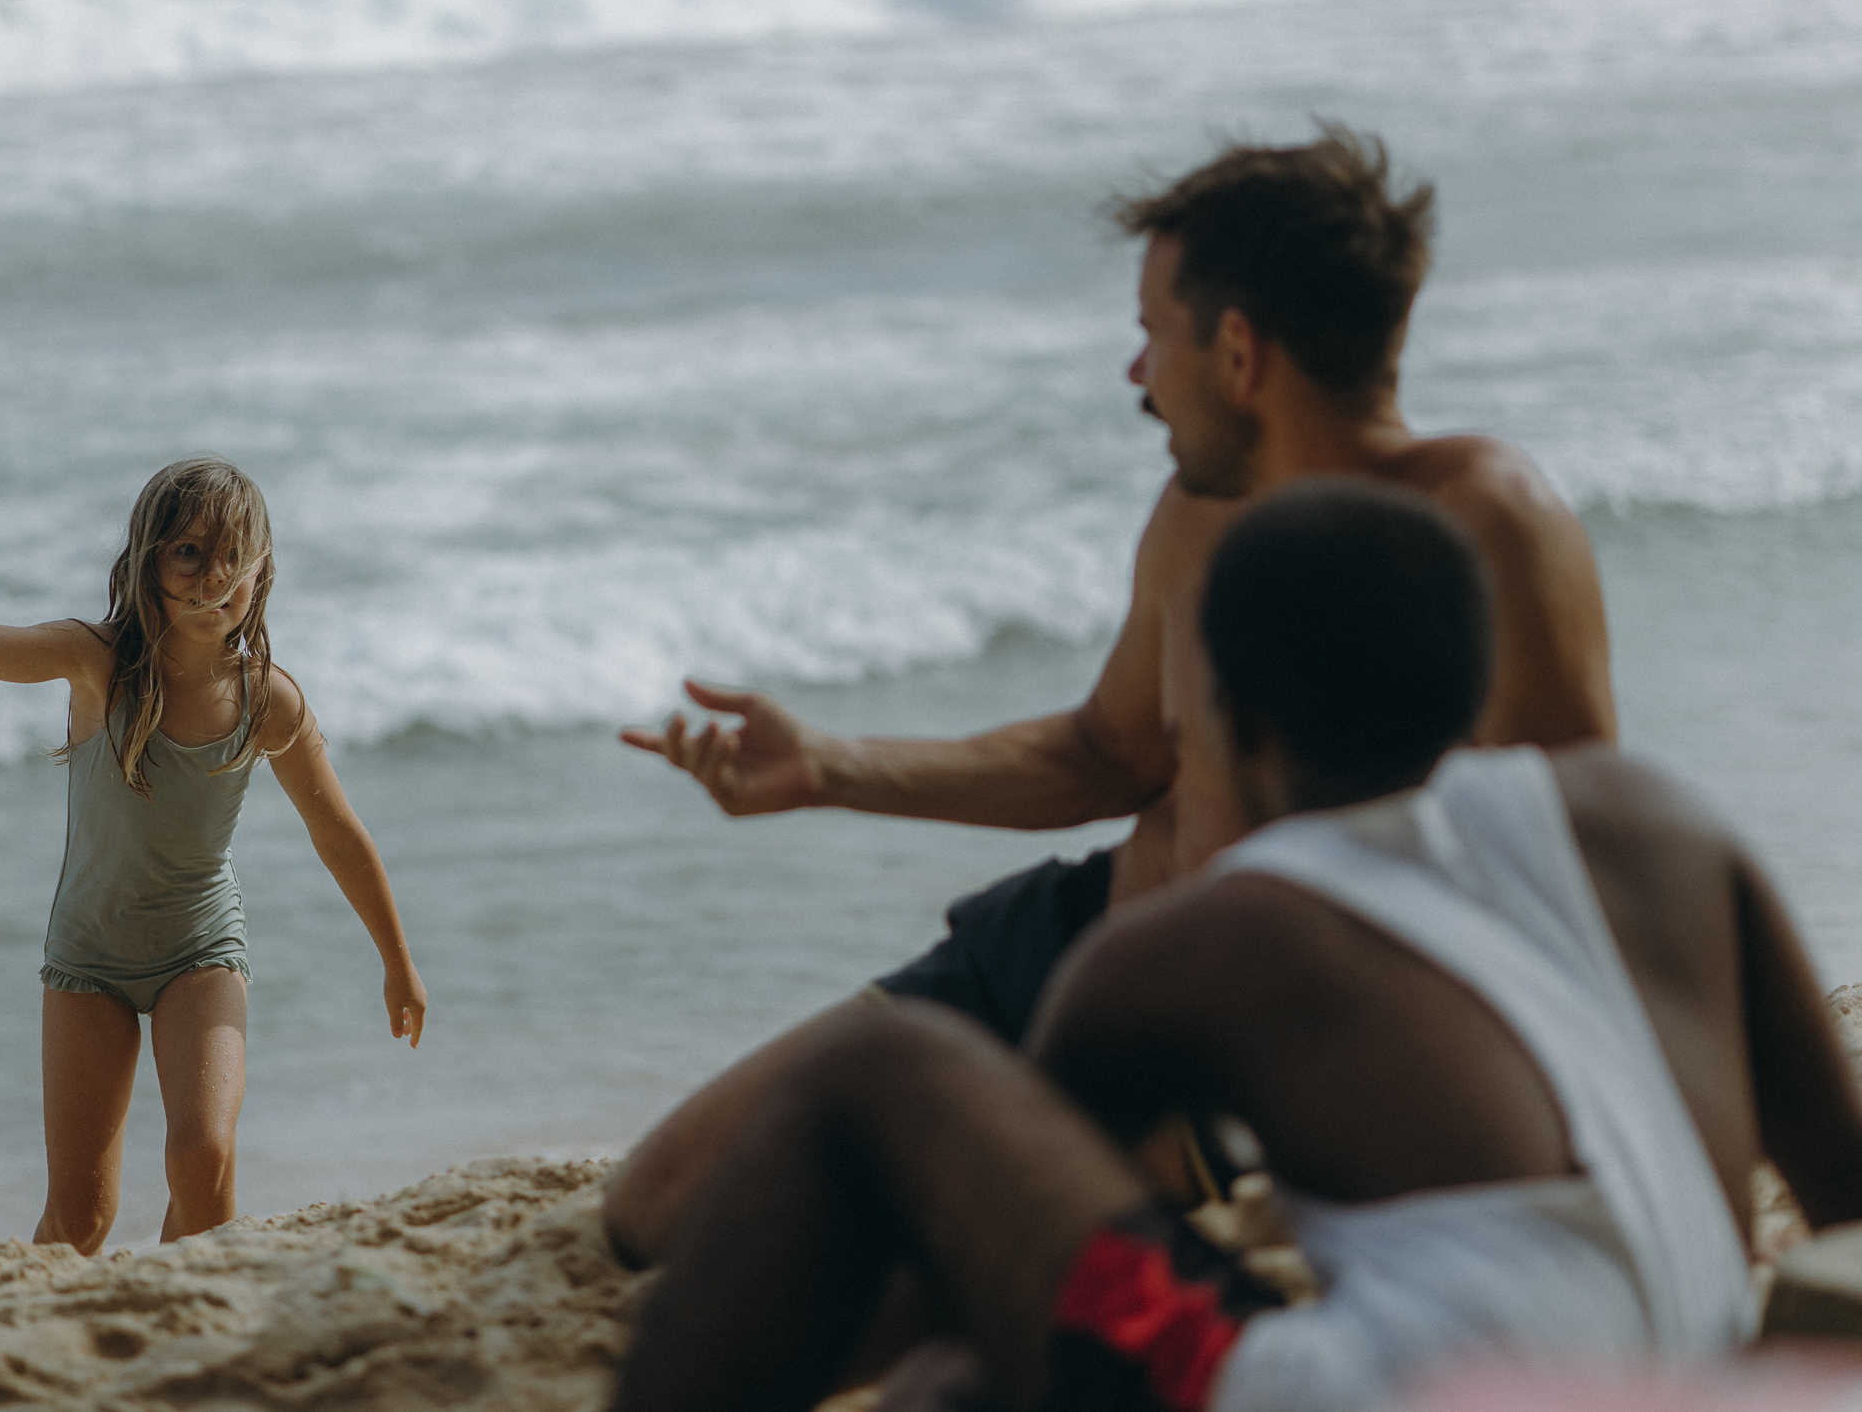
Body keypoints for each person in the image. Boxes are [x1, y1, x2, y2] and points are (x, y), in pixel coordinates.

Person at [615, 482, 1862, 1412]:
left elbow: (987, 1263)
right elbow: (1845, 1191)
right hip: (1677, 1384)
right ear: (1468, 686)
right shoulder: (1654, 820)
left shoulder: (1206, 941)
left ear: (1234, 721)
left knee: (887, 1075)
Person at [605, 127, 1616, 1264]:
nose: (1136, 374)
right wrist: (831, 768)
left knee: (862, 1284)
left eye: (1149, 334)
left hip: (1265, 1046)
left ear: (1236, 352)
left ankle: (1165, 1170)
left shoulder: (1486, 524)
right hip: (1082, 951)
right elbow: (1107, 757)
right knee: (665, 1209)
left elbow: (1582, 862)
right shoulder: (1195, 518)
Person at [0, 457, 428, 1249]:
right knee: (82, 1218)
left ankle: (188, 1331)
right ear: (147, 559)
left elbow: (337, 834)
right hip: (89, 956)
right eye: (189, 552)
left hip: (201, 949)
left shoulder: (268, 697)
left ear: (262, 569)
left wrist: (396, 960)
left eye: (234, 554)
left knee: (204, 1158)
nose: (213, 576)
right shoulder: (97, 661)